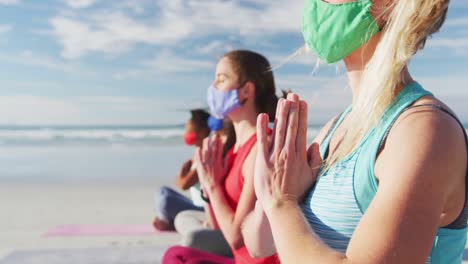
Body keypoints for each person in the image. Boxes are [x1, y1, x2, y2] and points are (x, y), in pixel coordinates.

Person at [243, 0, 467, 263]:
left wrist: (281, 204)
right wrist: (275, 196)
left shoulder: (423, 129)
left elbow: (278, 210)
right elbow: (259, 245)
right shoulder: (336, 128)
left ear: (389, 4)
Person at [162, 50, 280, 264]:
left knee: (177, 255)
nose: (213, 87)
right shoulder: (233, 147)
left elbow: (237, 238)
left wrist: (213, 185)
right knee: (176, 254)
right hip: (236, 258)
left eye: (221, 79)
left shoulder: (260, 148)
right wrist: (208, 187)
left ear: (246, 91)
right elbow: (218, 227)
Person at [153, 109, 234, 231]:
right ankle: (167, 220)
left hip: (204, 208)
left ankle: (169, 222)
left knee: (165, 200)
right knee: (163, 191)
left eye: (189, 130)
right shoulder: (198, 153)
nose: (186, 133)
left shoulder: (207, 154)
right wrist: (183, 174)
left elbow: (183, 185)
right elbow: (180, 182)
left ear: (203, 132)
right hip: (196, 203)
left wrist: (183, 173)